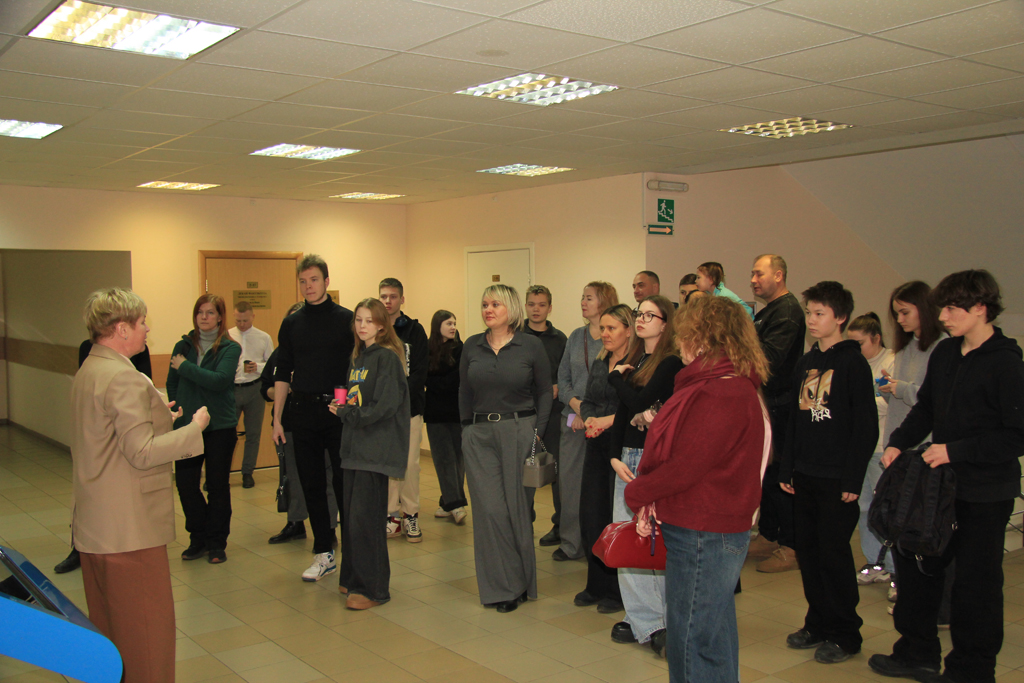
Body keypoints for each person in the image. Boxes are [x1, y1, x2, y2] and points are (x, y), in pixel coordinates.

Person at [869, 270, 1024, 683]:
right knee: (918, 566)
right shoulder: (946, 353)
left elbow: (1016, 435)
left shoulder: (1006, 363)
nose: (943, 316)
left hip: (985, 492)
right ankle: (916, 653)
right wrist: (898, 442)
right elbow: (927, 408)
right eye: (942, 308)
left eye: (953, 309)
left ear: (981, 308)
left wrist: (955, 450)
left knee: (975, 583)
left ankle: (972, 670)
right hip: (940, 486)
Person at [625, 296, 770, 683]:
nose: (678, 344)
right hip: (709, 525)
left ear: (703, 336)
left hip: (704, 531)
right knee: (712, 635)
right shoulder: (725, 384)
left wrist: (639, 491)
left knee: (691, 640)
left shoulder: (720, 392)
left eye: (683, 334)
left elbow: (687, 466)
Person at [72, 288, 207, 683]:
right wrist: (193, 430)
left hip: (96, 527)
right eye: (142, 322)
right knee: (147, 639)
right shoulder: (123, 378)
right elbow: (142, 453)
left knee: (111, 635)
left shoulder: (90, 369)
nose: (147, 329)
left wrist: (159, 416)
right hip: (129, 533)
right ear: (121, 329)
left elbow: (106, 436)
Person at [779, 281, 878, 664]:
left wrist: (852, 478)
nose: (812, 320)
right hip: (804, 473)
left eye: (820, 313)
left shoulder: (852, 363)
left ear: (840, 317)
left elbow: (865, 426)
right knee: (809, 552)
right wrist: (787, 467)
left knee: (833, 555)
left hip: (837, 479)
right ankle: (817, 622)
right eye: (809, 313)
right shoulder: (806, 362)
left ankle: (845, 633)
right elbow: (795, 420)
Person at [460, 284, 552, 613]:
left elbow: (545, 391)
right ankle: (504, 586)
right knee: (489, 511)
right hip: (479, 434)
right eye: (485, 304)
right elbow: (464, 390)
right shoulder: (472, 345)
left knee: (517, 509)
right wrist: (466, 429)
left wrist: (537, 432)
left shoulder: (531, 345)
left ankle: (520, 584)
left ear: (511, 309)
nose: (488, 309)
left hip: (519, 430)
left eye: (495, 304)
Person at [608, 295, 683, 654]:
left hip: (654, 458)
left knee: (654, 538)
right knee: (628, 537)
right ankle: (644, 619)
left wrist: (615, 377)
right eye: (639, 313)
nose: (640, 319)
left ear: (666, 323)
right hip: (628, 455)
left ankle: (663, 620)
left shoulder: (670, 362)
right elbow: (626, 412)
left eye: (649, 315)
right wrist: (613, 455)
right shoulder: (636, 360)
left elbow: (638, 402)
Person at [272, 255, 354, 582]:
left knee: (343, 483)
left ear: (327, 281)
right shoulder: (292, 323)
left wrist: (344, 405)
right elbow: (282, 372)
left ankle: (354, 554)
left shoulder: (346, 319)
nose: (308, 286)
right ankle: (323, 553)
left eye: (314, 280)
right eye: (303, 281)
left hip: (337, 411)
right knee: (311, 483)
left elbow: (355, 368)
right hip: (302, 412)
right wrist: (277, 419)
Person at [329, 299, 410, 610]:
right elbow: (358, 400)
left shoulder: (386, 358)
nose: (362, 326)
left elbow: (385, 406)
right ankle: (352, 577)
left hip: (374, 450)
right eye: (358, 320)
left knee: (366, 521)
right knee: (351, 519)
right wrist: (343, 408)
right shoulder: (358, 358)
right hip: (354, 448)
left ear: (381, 325)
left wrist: (351, 414)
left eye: (369, 320)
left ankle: (372, 589)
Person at [875, 281, 947, 609]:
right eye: (896, 314)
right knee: (897, 522)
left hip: (926, 450)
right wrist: (890, 389)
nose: (900, 320)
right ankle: (903, 587)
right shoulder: (905, 349)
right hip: (899, 446)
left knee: (920, 527)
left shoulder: (941, 348)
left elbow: (930, 400)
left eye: (905, 312)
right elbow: (904, 403)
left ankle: (926, 601)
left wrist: (901, 388)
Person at [56, 340, 154, 575]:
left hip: (124, 430)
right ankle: (79, 548)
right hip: (95, 432)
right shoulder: (88, 349)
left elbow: (145, 385)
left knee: (116, 497)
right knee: (86, 494)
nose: (146, 330)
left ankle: (116, 550)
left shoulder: (138, 349)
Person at [167, 294, 242, 565]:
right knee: (186, 484)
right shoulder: (183, 345)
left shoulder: (230, 348)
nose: (204, 317)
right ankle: (198, 537)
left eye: (210, 312)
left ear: (220, 317)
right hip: (188, 427)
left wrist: (185, 367)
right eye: (200, 312)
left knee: (217, 486)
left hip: (219, 426)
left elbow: (219, 381)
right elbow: (172, 382)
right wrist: (178, 410)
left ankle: (216, 542)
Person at [260, 302, 339, 544]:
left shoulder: (323, 349)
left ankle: (328, 528)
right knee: (294, 476)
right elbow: (266, 388)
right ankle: (295, 522)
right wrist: (284, 391)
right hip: (289, 423)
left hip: (320, 419)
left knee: (326, 477)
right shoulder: (280, 353)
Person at [575, 303, 636, 614]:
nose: (605, 334)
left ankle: (616, 590)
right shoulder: (601, 362)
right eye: (603, 328)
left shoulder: (635, 366)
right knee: (592, 515)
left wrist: (605, 422)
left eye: (612, 328)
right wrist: (588, 418)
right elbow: (588, 400)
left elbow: (634, 408)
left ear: (629, 330)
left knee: (617, 518)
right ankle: (596, 584)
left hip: (620, 447)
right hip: (595, 445)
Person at [749, 254, 806, 573]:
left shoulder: (788, 311)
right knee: (767, 476)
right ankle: (769, 534)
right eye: (753, 274)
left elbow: (768, 359)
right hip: (765, 404)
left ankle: (791, 545)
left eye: (760, 274)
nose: (754, 280)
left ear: (779, 275)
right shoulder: (769, 310)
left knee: (782, 476)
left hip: (781, 407)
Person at [553, 281, 618, 559]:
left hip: (603, 423)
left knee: (599, 489)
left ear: (604, 301)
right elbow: (563, 378)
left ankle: (599, 545)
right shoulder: (575, 336)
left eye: (589, 298)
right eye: (582, 297)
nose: (583, 302)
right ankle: (570, 544)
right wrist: (577, 407)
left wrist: (591, 414)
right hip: (572, 419)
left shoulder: (615, 339)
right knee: (569, 485)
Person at [846, 313, 895, 585]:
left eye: (860, 343)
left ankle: (896, 569)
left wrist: (860, 402)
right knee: (864, 507)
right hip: (859, 448)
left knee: (886, 510)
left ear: (876, 339)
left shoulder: (891, 362)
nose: (855, 349)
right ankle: (875, 562)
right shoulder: (854, 365)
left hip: (883, 448)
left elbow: (894, 405)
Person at [379, 278, 428, 543]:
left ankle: (411, 514)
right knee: (388, 463)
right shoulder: (374, 329)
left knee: (409, 464)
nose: (388, 301)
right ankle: (391, 516)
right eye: (383, 296)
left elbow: (420, 371)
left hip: (409, 409)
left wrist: (399, 398)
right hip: (382, 412)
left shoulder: (414, 330)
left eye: (393, 296)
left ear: (402, 299)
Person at [522, 285, 567, 532]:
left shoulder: (560, 339)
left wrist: (558, 385)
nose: (536, 309)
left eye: (541, 305)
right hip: (523, 414)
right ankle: (523, 522)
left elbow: (567, 374)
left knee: (557, 470)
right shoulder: (516, 336)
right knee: (523, 471)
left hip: (553, 413)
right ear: (525, 306)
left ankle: (560, 526)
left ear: (550, 308)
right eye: (531, 304)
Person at [424, 310, 468, 524]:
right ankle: (456, 504)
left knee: (458, 460)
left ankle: (448, 502)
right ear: (437, 325)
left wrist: (435, 383)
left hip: (457, 412)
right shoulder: (427, 349)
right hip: (435, 414)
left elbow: (457, 378)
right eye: (448, 323)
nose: (453, 327)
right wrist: (438, 383)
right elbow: (423, 376)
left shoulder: (460, 348)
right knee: (444, 459)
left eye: (454, 323)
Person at [228, 301, 274, 489]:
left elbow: (272, 365)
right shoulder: (227, 336)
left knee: (253, 433)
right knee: (226, 434)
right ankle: (221, 473)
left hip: (255, 388)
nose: (242, 324)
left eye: (245, 320)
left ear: (253, 317)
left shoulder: (264, 337)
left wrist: (258, 367)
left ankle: (248, 472)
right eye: (238, 320)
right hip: (231, 389)